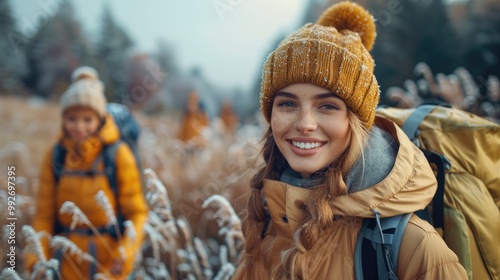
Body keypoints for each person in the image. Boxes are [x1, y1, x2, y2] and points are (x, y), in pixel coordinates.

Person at [233, 2, 468, 279]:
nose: (305, 124)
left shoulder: (411, 246)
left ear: (355, 121)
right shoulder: (268, 219)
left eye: (328, 106)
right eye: (287, 104)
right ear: (270, 116)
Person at [25, 66, 148, 279]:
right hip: (65, 266)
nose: (79, 126)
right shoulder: (55, 156)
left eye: (87, 119)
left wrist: (124, 255)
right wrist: (37, 260)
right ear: (63, 119)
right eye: (72, 118)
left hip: (109, 267)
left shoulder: (118, 154)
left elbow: (137, 214)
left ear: (99, 119)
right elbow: (43, 216)